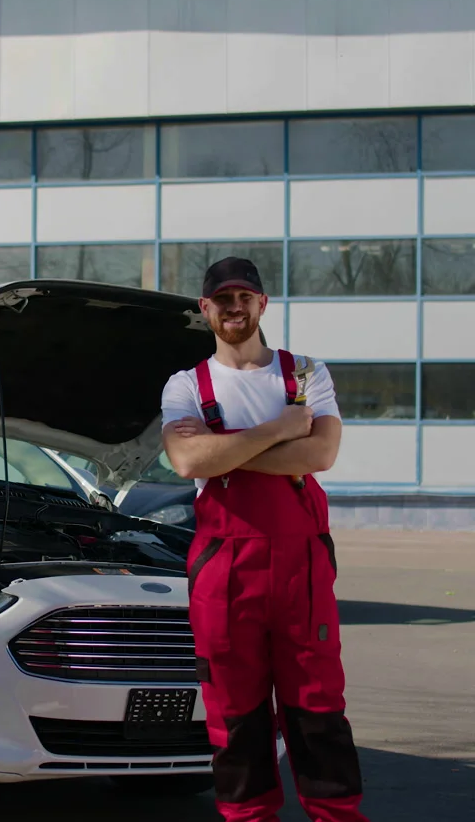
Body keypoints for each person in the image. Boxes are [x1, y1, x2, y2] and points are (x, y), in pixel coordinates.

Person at [161, 257, 369, 822]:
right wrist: (279, 431)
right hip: (223, 568)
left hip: (302, 563)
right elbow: (187, 459)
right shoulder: (185, 386)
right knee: (236, 715)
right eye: (222, 298)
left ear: (262, 304)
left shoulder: (304, 373)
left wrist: (225, 447)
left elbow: (320, 453)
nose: (234, 307)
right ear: (205, 309)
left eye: (244, 297)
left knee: (319, 708)